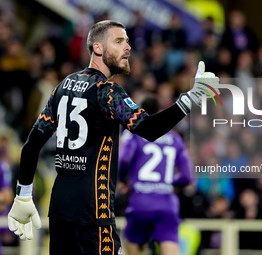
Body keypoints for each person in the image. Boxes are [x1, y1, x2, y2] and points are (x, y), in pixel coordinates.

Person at [6, 20, 219, 255]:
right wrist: (191, 98)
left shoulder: (63, 86)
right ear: (98, 48)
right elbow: (148, 129)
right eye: (119, 41)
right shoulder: (106, 92)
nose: (127, 47)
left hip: (60, 209)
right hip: (94, 210)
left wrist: (23, 195)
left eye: (128, 41)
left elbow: (32, 144)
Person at [118, 95, 191, 255]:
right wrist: (167, 183)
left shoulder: (134, 134)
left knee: (133, 250)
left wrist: (123, 180)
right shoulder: (175, 139)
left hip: (140, 203)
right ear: (160, 111)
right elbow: (187, 176)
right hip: (166, 204)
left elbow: (123, 160)